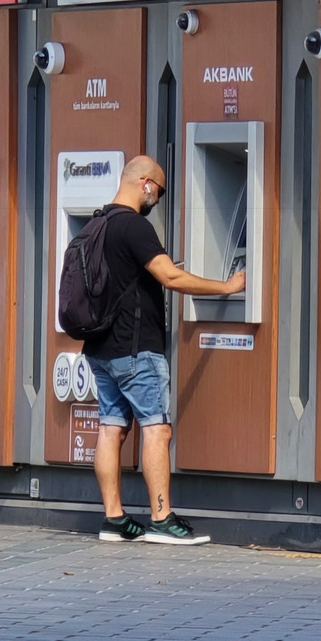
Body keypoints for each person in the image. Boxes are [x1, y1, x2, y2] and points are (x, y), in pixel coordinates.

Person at [85, 155, 245, 545]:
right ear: (144, 184)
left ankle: (114, 519)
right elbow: (169, 276)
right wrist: (227, 287)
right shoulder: (134, 226)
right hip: (136, 349)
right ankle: (161, 517)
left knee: (111, 429)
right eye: (157, 190)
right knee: (157, 428)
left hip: (100, 347)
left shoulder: (96, 224)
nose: (156, 198)